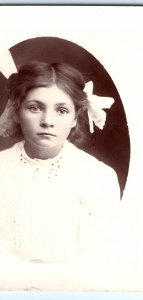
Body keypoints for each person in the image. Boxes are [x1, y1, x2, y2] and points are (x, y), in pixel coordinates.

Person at [0, 61, 120, 264]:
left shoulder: (98, 176)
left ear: (75, 118)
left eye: (62, 110)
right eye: (35, 107)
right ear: (17, 111)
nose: (48, 120)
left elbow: (98, 260)